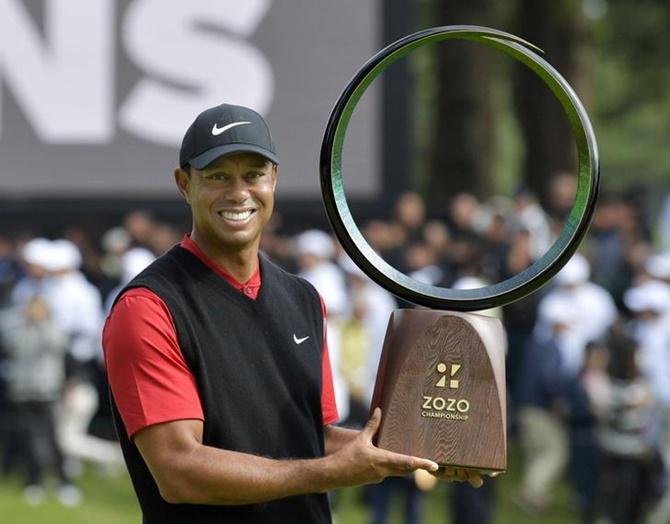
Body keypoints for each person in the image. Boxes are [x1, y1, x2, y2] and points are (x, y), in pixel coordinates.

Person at [102, 103, 481, 524]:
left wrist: (415, 450)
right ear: (183, 184)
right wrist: (329, 473)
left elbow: (309, 438)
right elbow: (179, 471)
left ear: (274, 179)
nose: (239, 192)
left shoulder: (303, 299)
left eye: (253, 174)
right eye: (217, 177)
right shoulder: (148, 308)